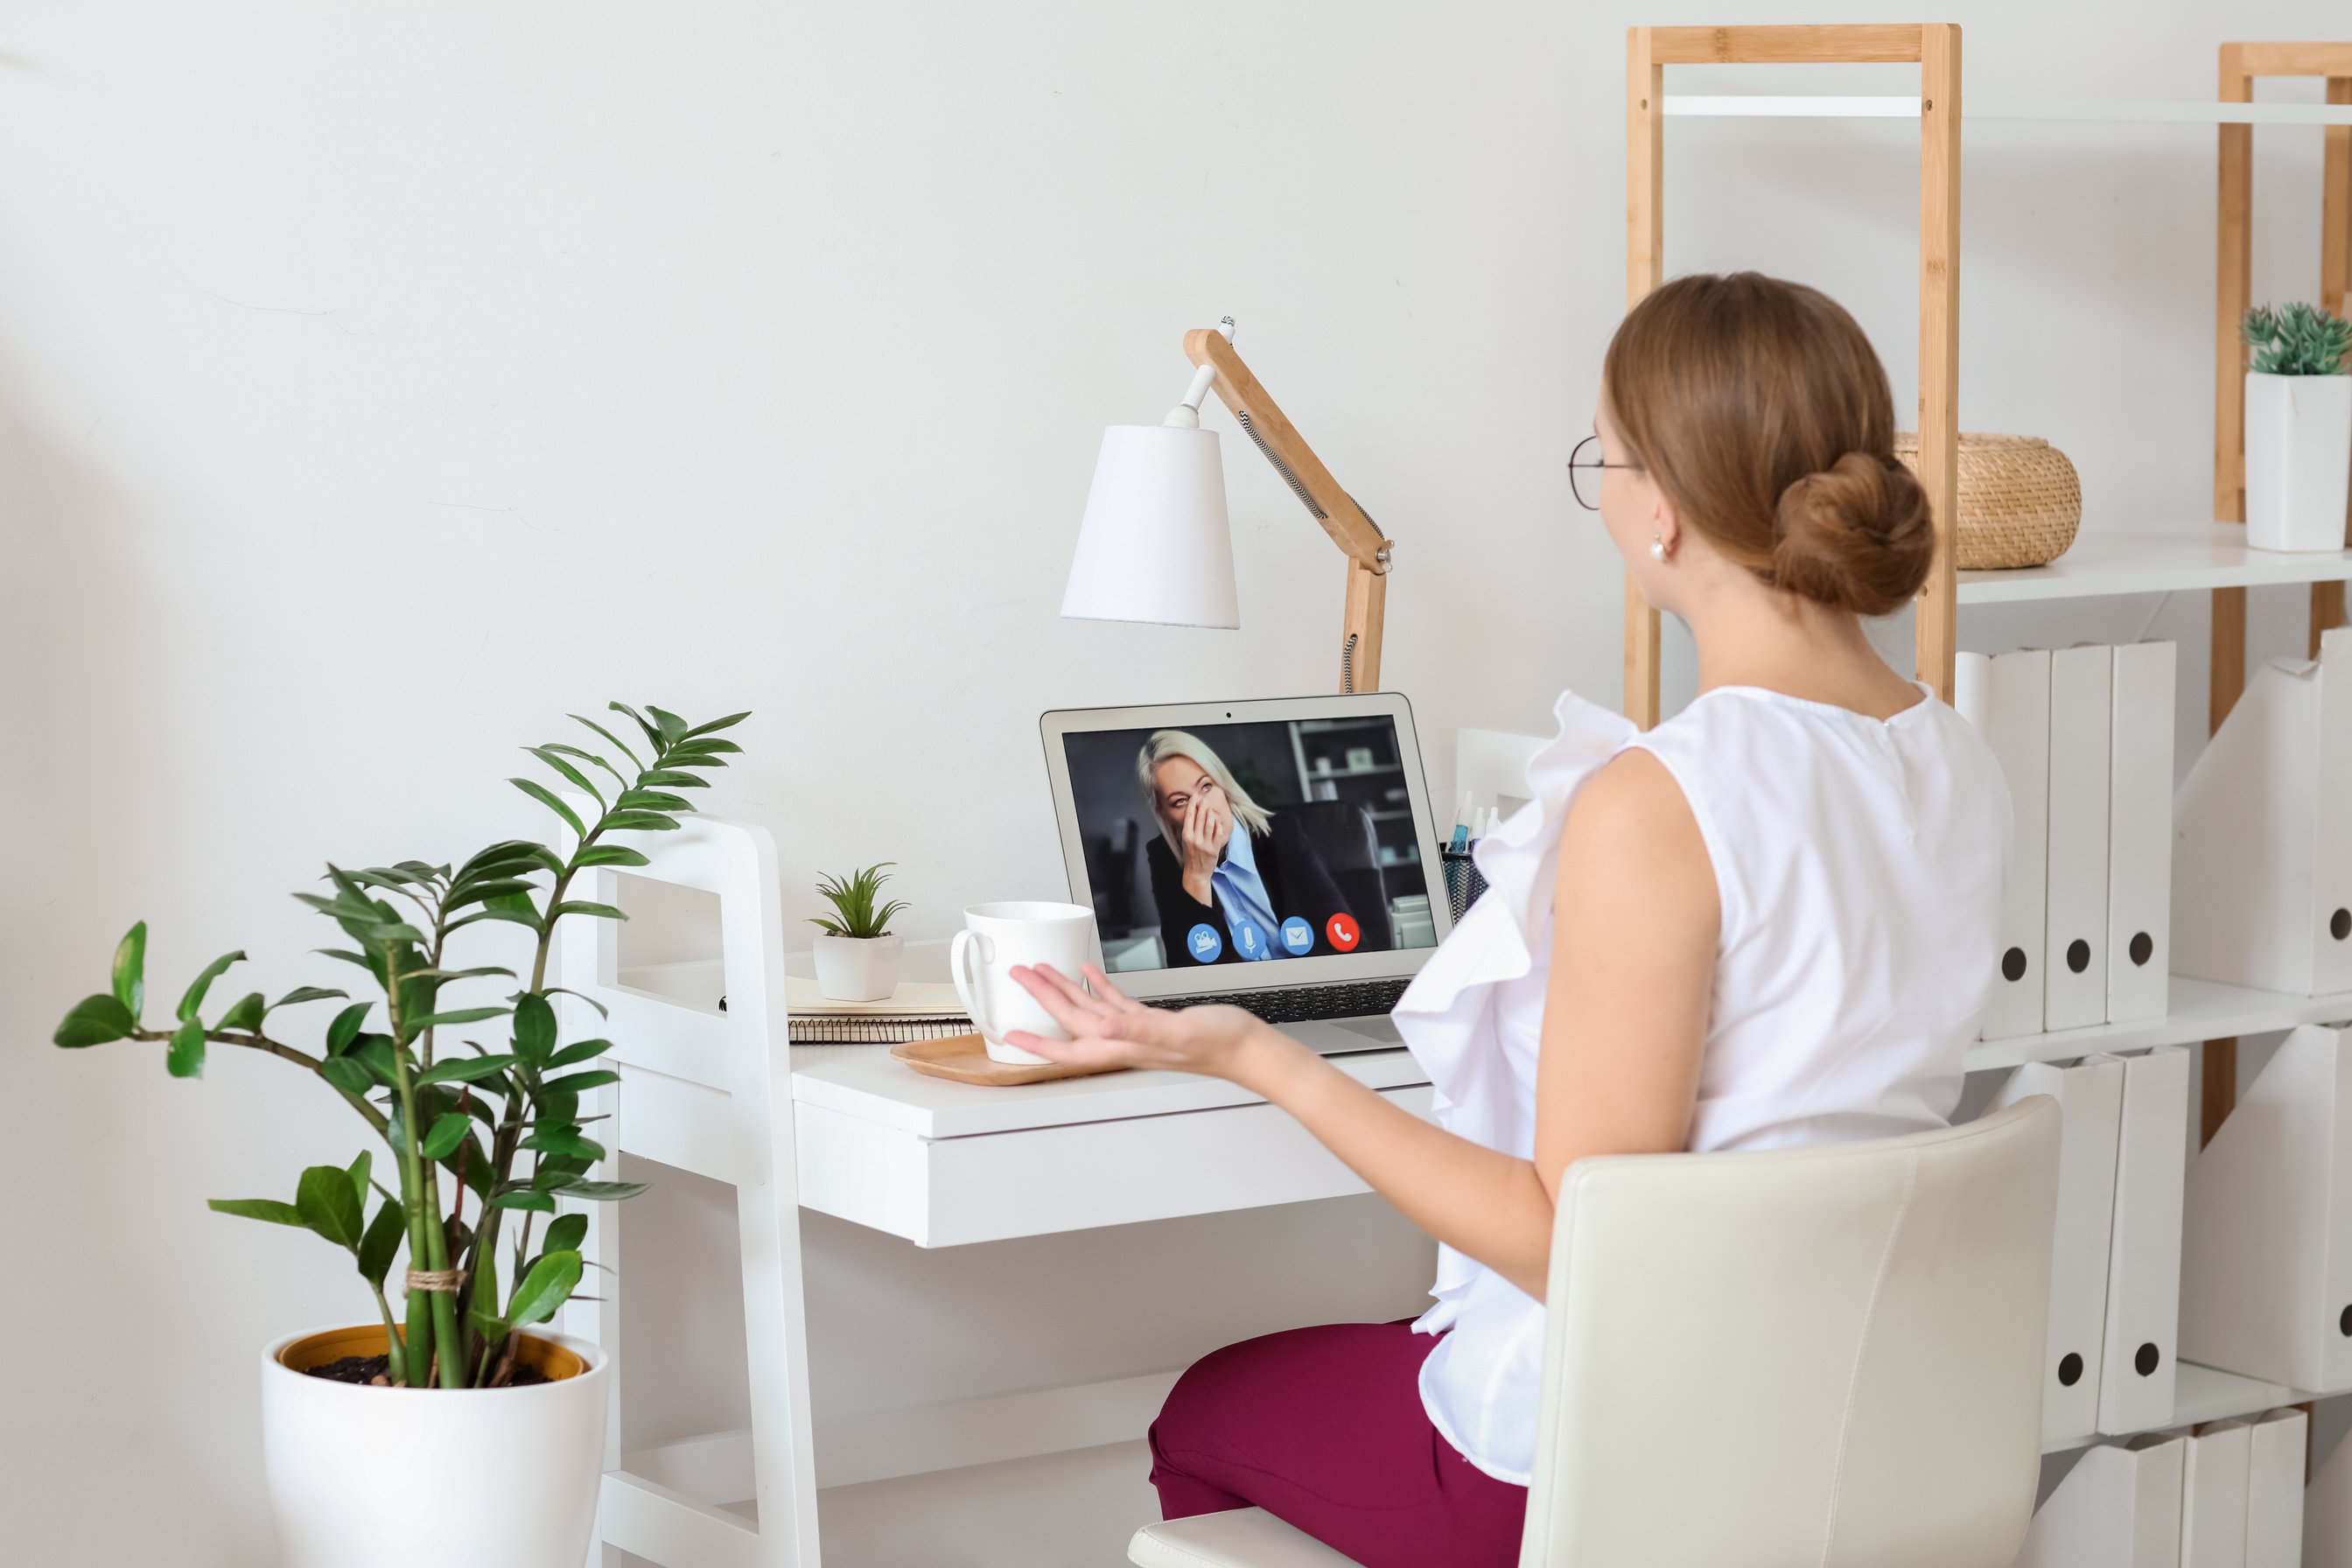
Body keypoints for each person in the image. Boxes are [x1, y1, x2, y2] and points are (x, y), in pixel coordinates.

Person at [1005, 272, 2011, 1568]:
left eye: (1609, 459)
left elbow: (1567, 1247)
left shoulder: (1663, 801)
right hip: (1841, 1442)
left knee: (1207, 1410)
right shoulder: (1955, 758)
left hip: (1602, 1468)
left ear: (1665, 511)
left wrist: (1257, 1053)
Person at [1135, 730, 1377, 965]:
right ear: (1164, 815)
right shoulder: (1165, 860)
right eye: (1181, 801)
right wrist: (1197, 879)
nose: (1203, 809)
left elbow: (1350, 943)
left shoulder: (1282, 833)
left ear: (1224, 787)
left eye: (1206, 786)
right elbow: (1190, 983)